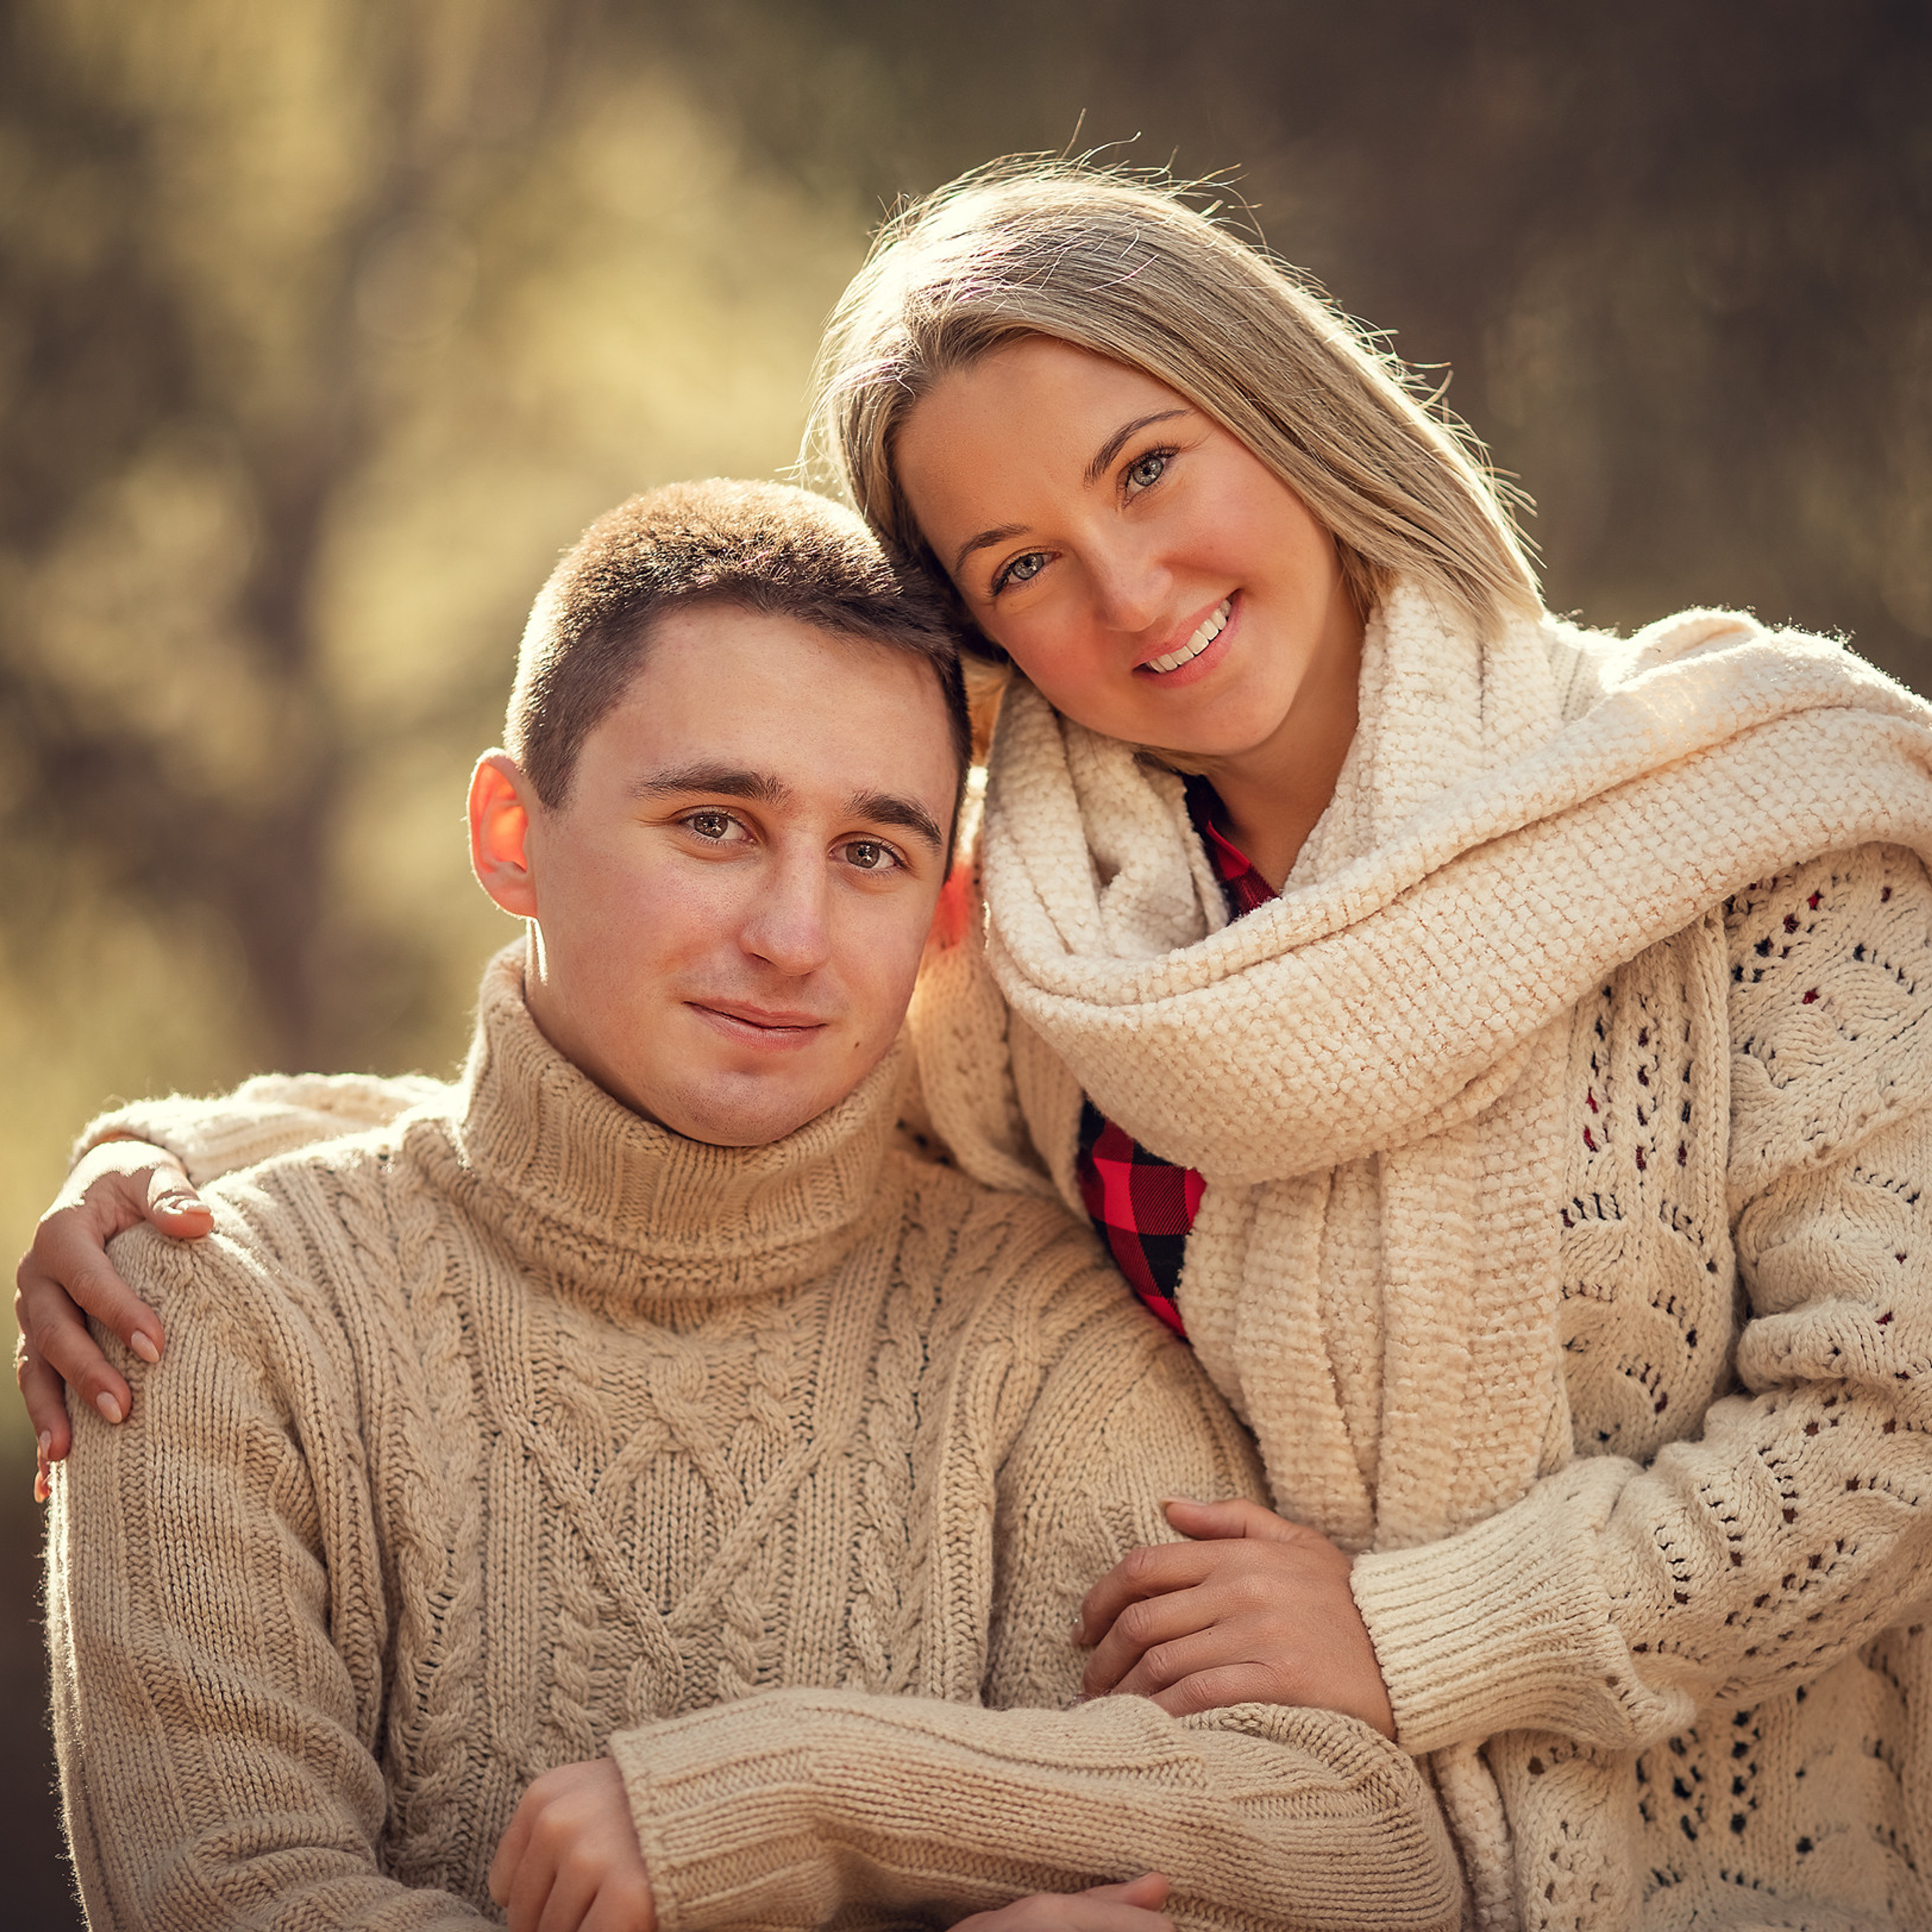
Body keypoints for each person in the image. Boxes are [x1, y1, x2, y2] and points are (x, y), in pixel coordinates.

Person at [20, 161, 1932, 1928]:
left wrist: (1403, 1634)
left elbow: (1893, 1442)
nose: (1122, 587)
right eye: (1016, 563)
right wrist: (181, 1165)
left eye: (1147, 466)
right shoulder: (1051, 941)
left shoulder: (1747, 817)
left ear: (1283, 405)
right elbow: (679, 1117)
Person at [33, 478, 1463, 1932]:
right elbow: (236, 1904)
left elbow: (1363, 1852)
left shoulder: (1037, 1339)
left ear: (942, 907)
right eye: (715, 824)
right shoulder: (195, 1312)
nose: (793, 940)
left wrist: (804, 1796)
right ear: (510, 834)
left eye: (871, 855)